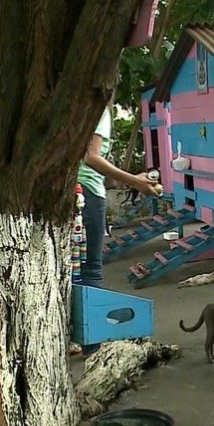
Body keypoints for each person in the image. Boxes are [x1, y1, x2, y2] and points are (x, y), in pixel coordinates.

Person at [74, 101, 160, 356]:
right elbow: (91, 157)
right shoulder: (95, 107)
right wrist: (135, 181)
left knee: (69, 270)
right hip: (87, 193)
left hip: (67, 191)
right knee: (90, 268)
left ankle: (72, 338)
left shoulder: (66, 101)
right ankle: (93, 345)